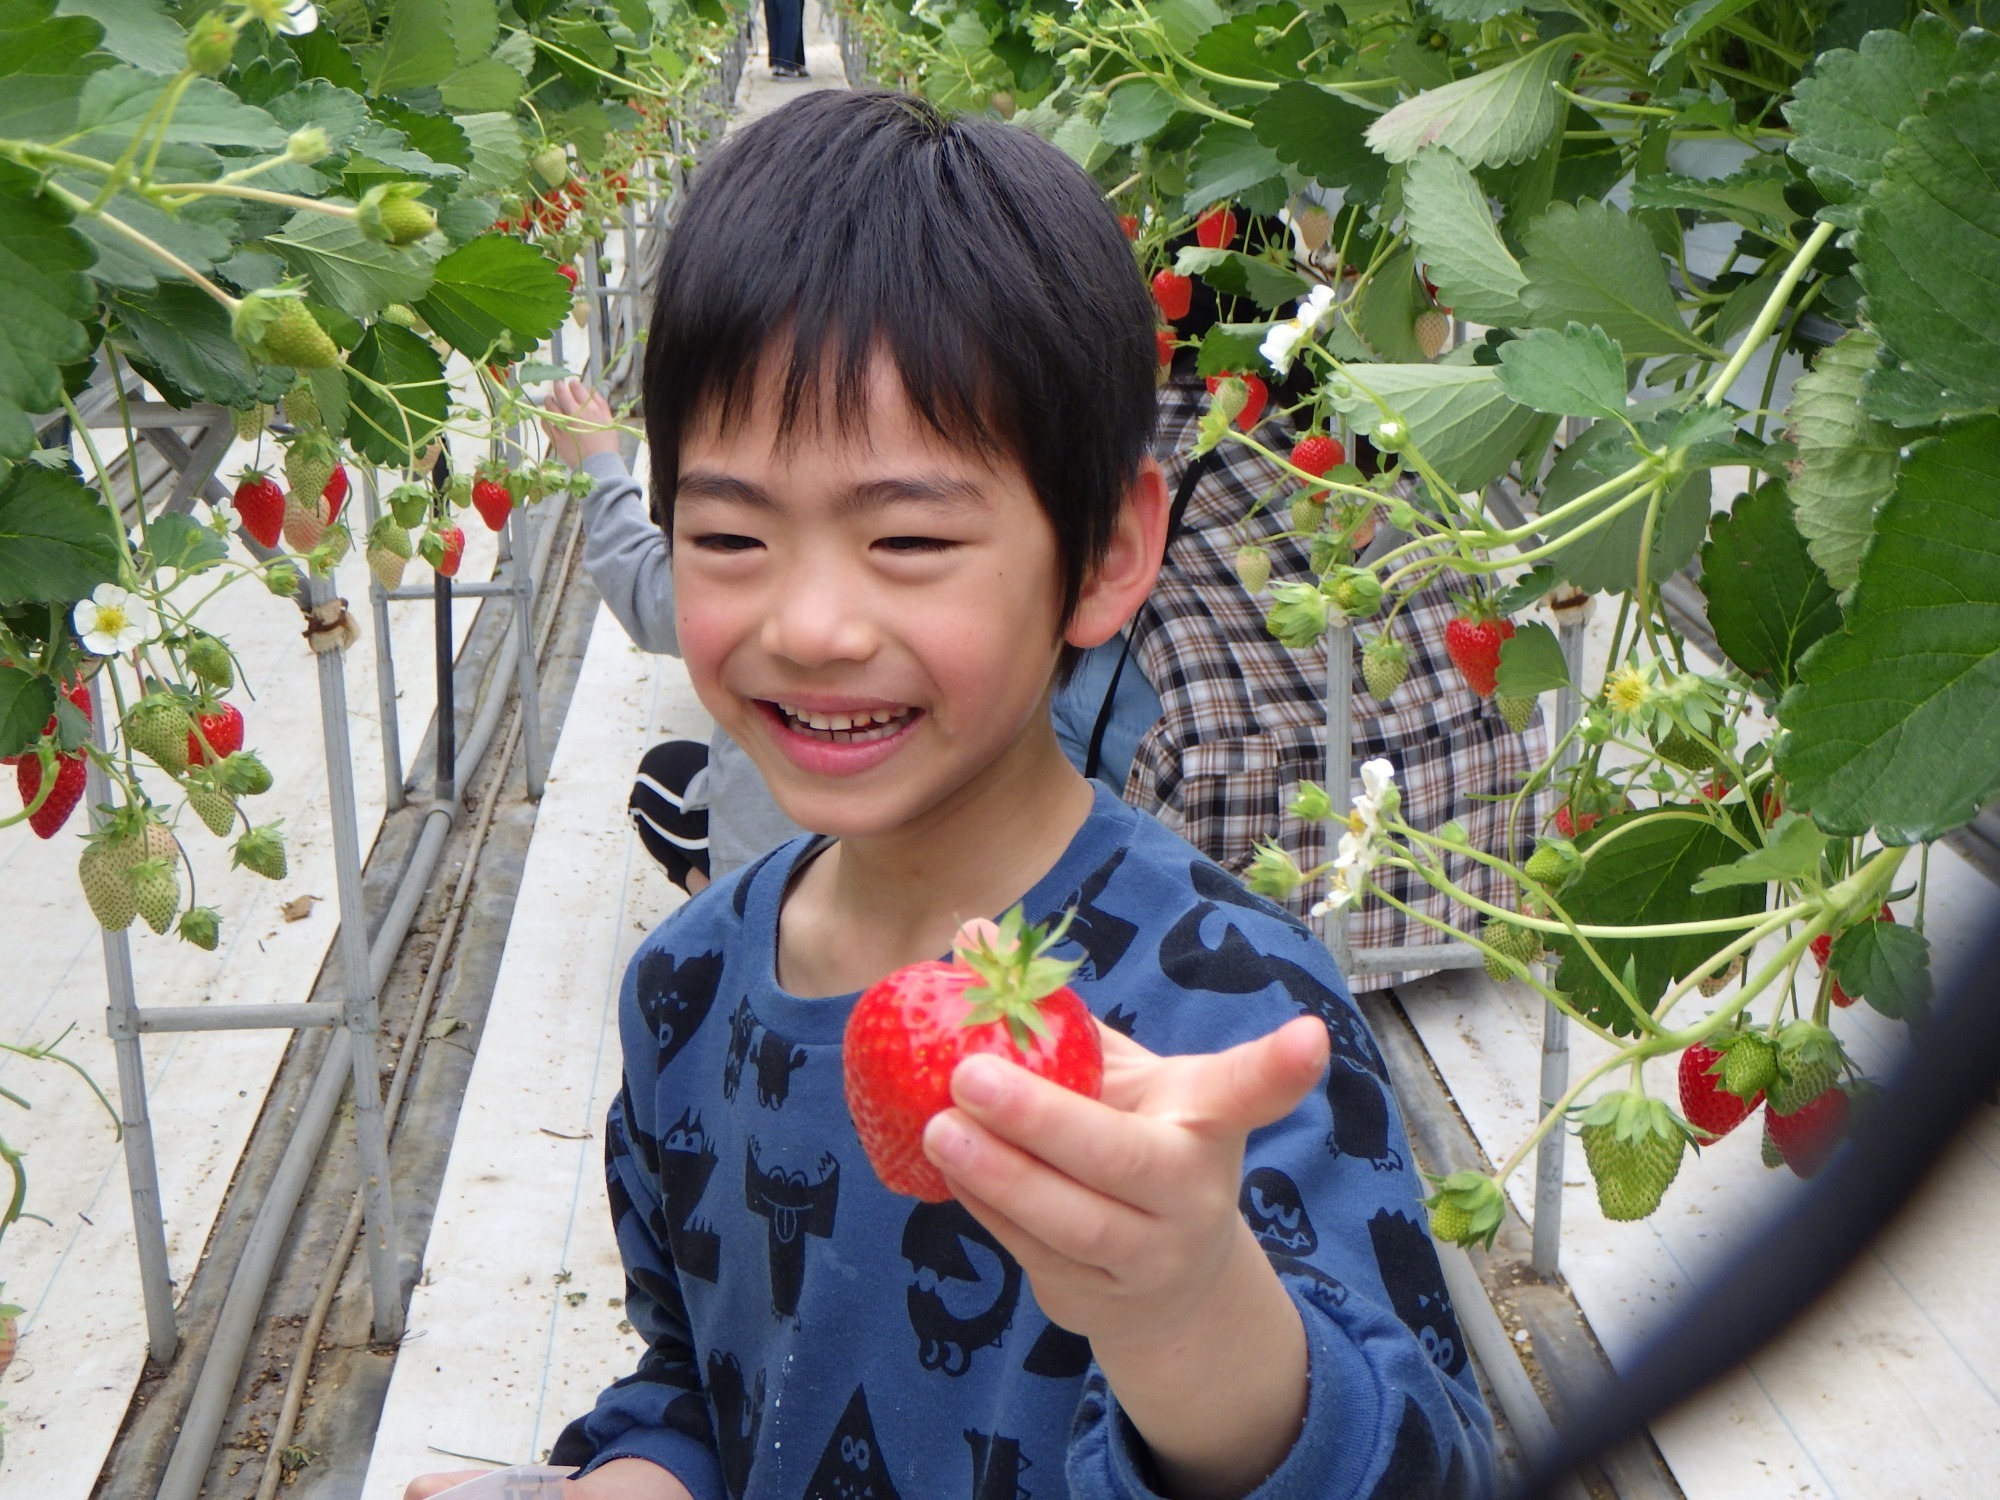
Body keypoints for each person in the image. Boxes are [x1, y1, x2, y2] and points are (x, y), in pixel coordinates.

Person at [410, 89, 1492, 1500]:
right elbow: (702, 1373)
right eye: (729, 532)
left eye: (908, 536)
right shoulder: (683, 995)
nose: (809, 623)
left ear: (1105, 555)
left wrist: (1189, 1312)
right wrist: (646, 1477)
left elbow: (1416, 1463)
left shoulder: (1221, 1021)